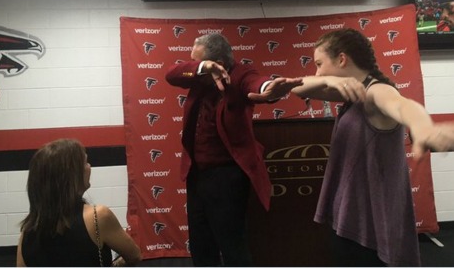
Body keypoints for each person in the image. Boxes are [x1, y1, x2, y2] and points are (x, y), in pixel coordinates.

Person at [254, 28, 454, 266]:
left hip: (370, 228)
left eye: (320, 63)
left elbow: (403, 106)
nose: (316, 71)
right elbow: (296, 86)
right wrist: (329, 78)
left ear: (342, 59)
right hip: (352, 217)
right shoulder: (353, 93)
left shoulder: (377, 91)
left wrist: (424, 128)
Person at [165, 33, 303, 266]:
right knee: (201, 245)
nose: (194, 64)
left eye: (200, 61)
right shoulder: (200, 76)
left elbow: (257, 83)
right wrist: (202, 66)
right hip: (197, 175)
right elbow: (172, 73)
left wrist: (269, 88)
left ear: (220, 63)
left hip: (227, 176)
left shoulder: (240, 74)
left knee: (232, 246)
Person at [16, 139, 141, 267]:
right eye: (85, 162)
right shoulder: (98, 217)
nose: (89, 167)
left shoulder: (26, 233)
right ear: (72, 175)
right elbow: (134, 255)